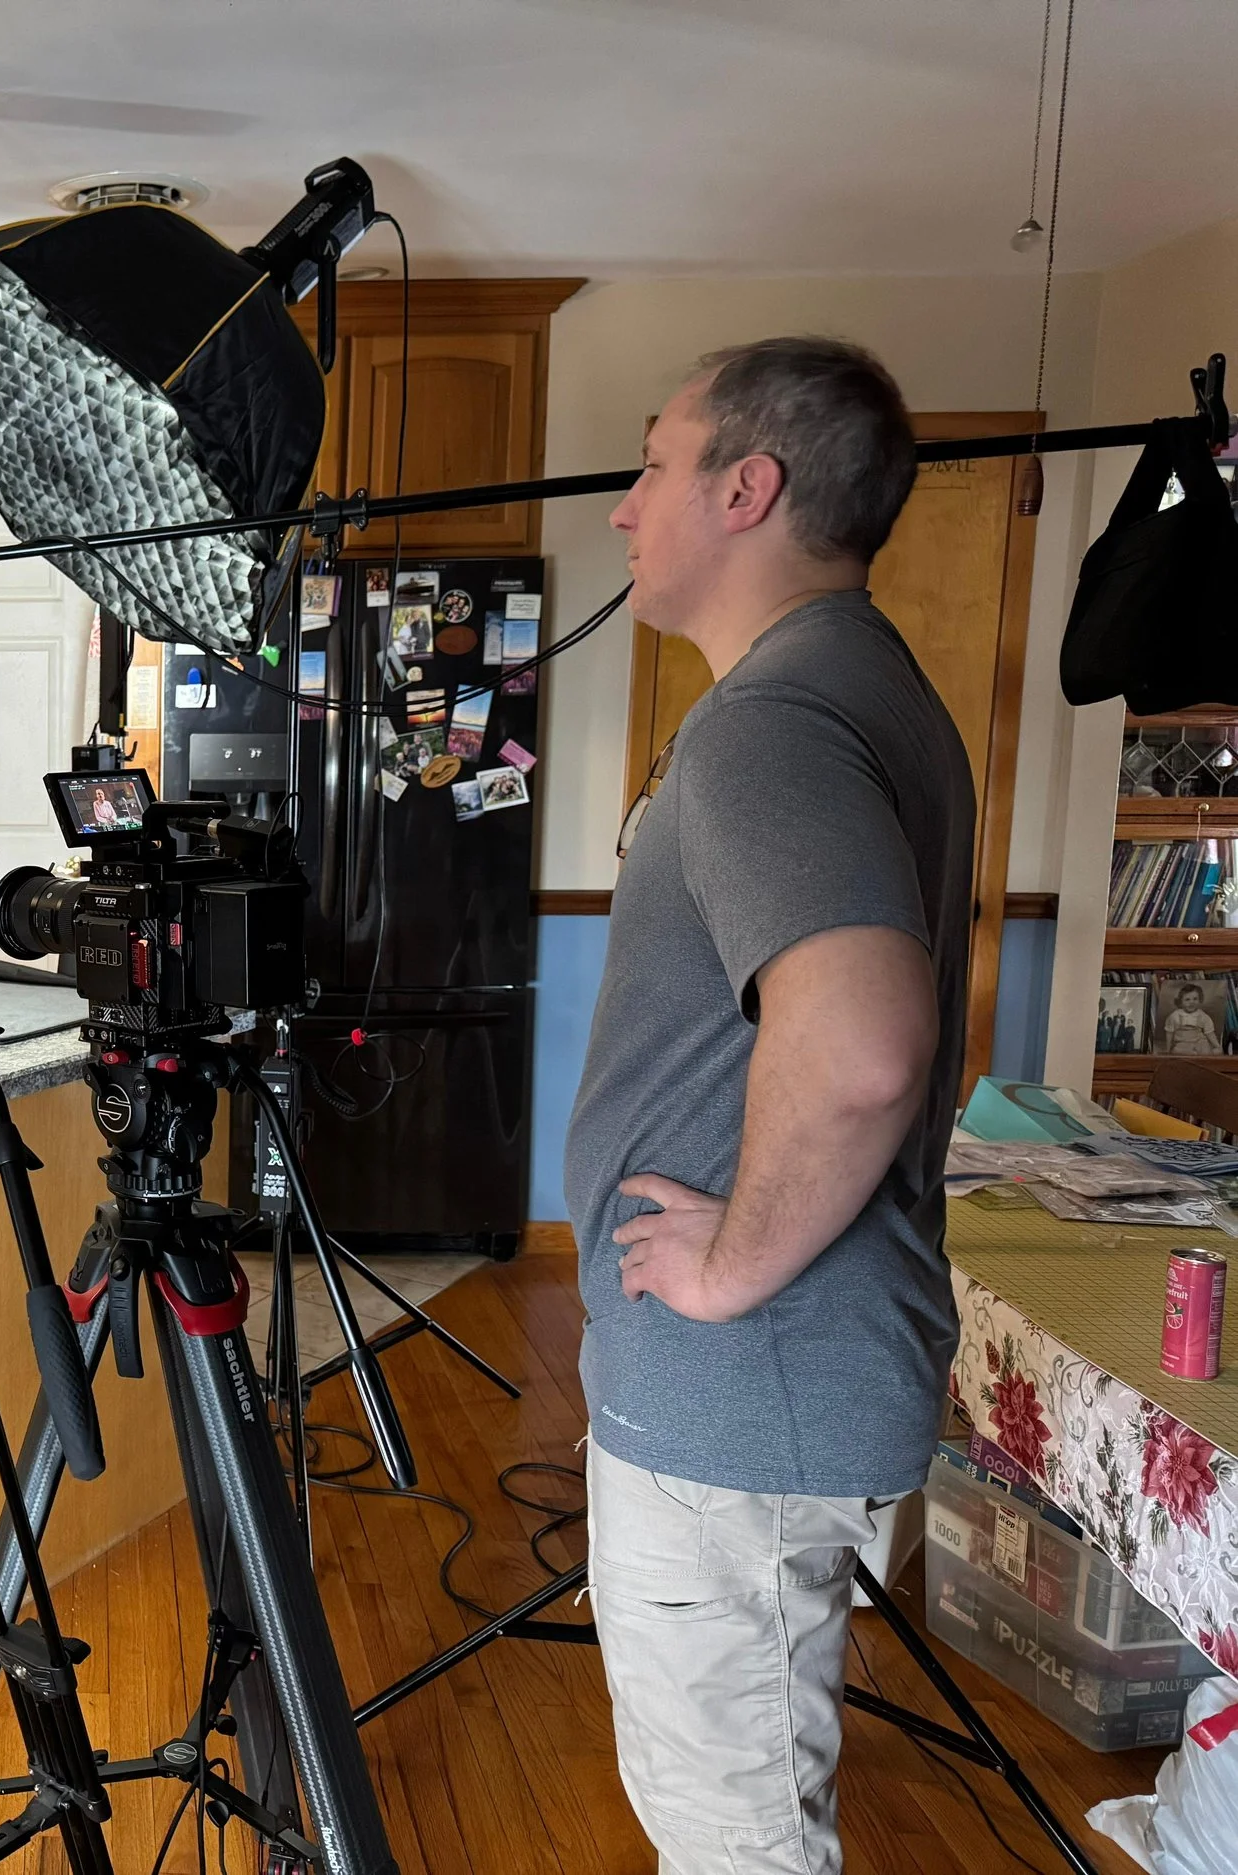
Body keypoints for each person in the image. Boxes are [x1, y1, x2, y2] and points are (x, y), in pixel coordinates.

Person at [564, 337, 974, 1875]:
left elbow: (865, 1038)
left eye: (654, 461)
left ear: (749, 486)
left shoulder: (770, 721)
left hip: (750, 1382)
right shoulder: (852, 685)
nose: (623, 508)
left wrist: (732, 1259)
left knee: (737, 1840)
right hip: (781, 1385)